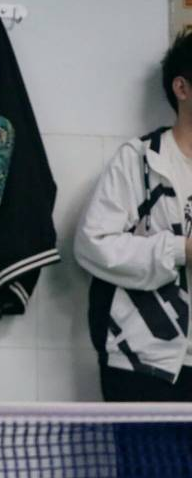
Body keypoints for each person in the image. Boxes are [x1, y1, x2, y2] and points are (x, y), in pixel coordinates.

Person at [75, 30, 192, 401]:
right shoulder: (140, 160)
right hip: (143, 363)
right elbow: (93, 244)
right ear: (181, 88)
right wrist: (181, 250)